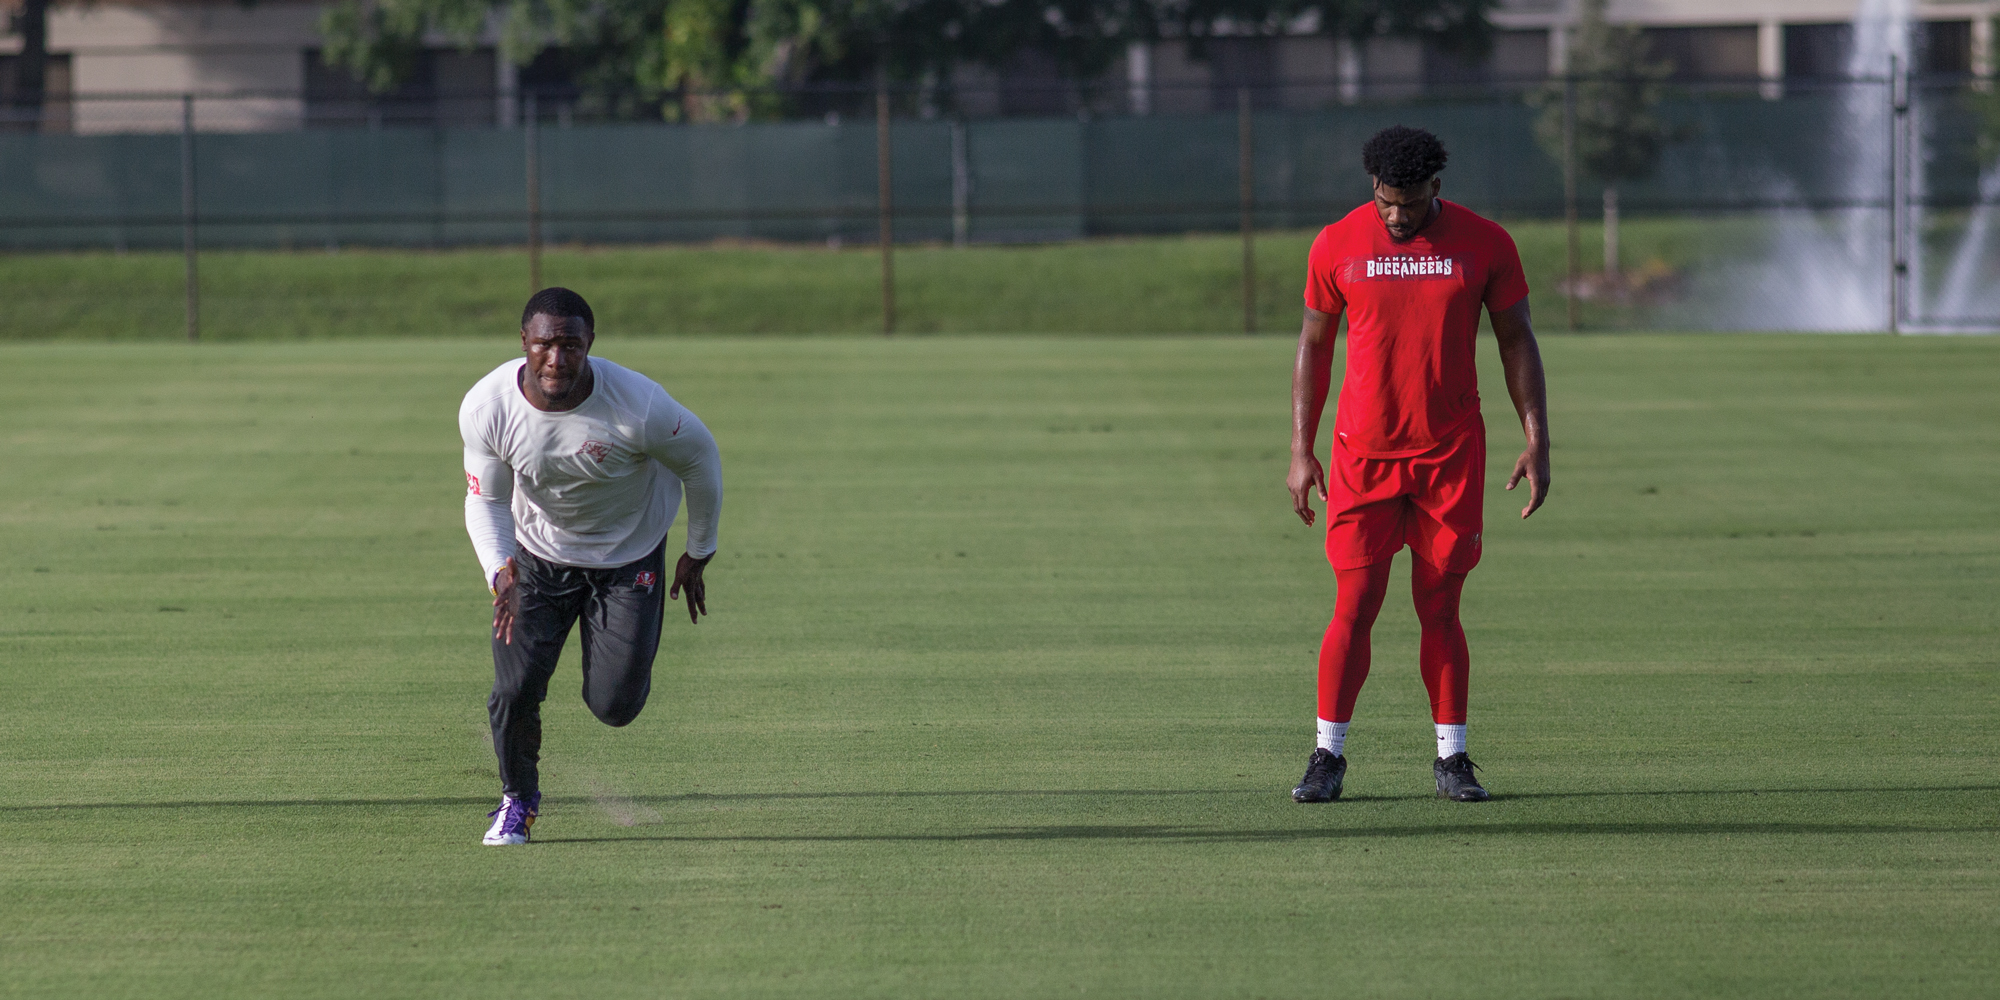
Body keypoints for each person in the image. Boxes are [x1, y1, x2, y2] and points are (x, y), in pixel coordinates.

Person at [1286, 126, 1550, 804]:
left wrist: (1536, 437)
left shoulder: (1485, 243)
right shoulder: (1336, 243)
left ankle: (1453, 760)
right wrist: (1300, 449)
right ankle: (1326, 755)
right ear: (1372, 188)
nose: (1396, 216)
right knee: (1355, 604)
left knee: (1440, 607)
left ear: (1437, 187)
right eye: (1385, 202)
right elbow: (1314, 347)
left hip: (1449, 456)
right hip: (1362, 456)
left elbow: (1516, 339)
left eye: (1409, 202)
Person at [459, 287, 722, 844]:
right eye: (544, 345)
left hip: (628, 558)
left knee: (614, 706)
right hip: (536, 559)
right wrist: (498, 568)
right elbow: (484, 499)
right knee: (514, 688)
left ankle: (617, 653)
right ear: (523, 344)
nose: (557, 359)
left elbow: (700, 459)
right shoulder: (488, 408)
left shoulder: (640, 406)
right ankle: (517, 800)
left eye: (571, 346)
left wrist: (698, 551)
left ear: (590, 345)